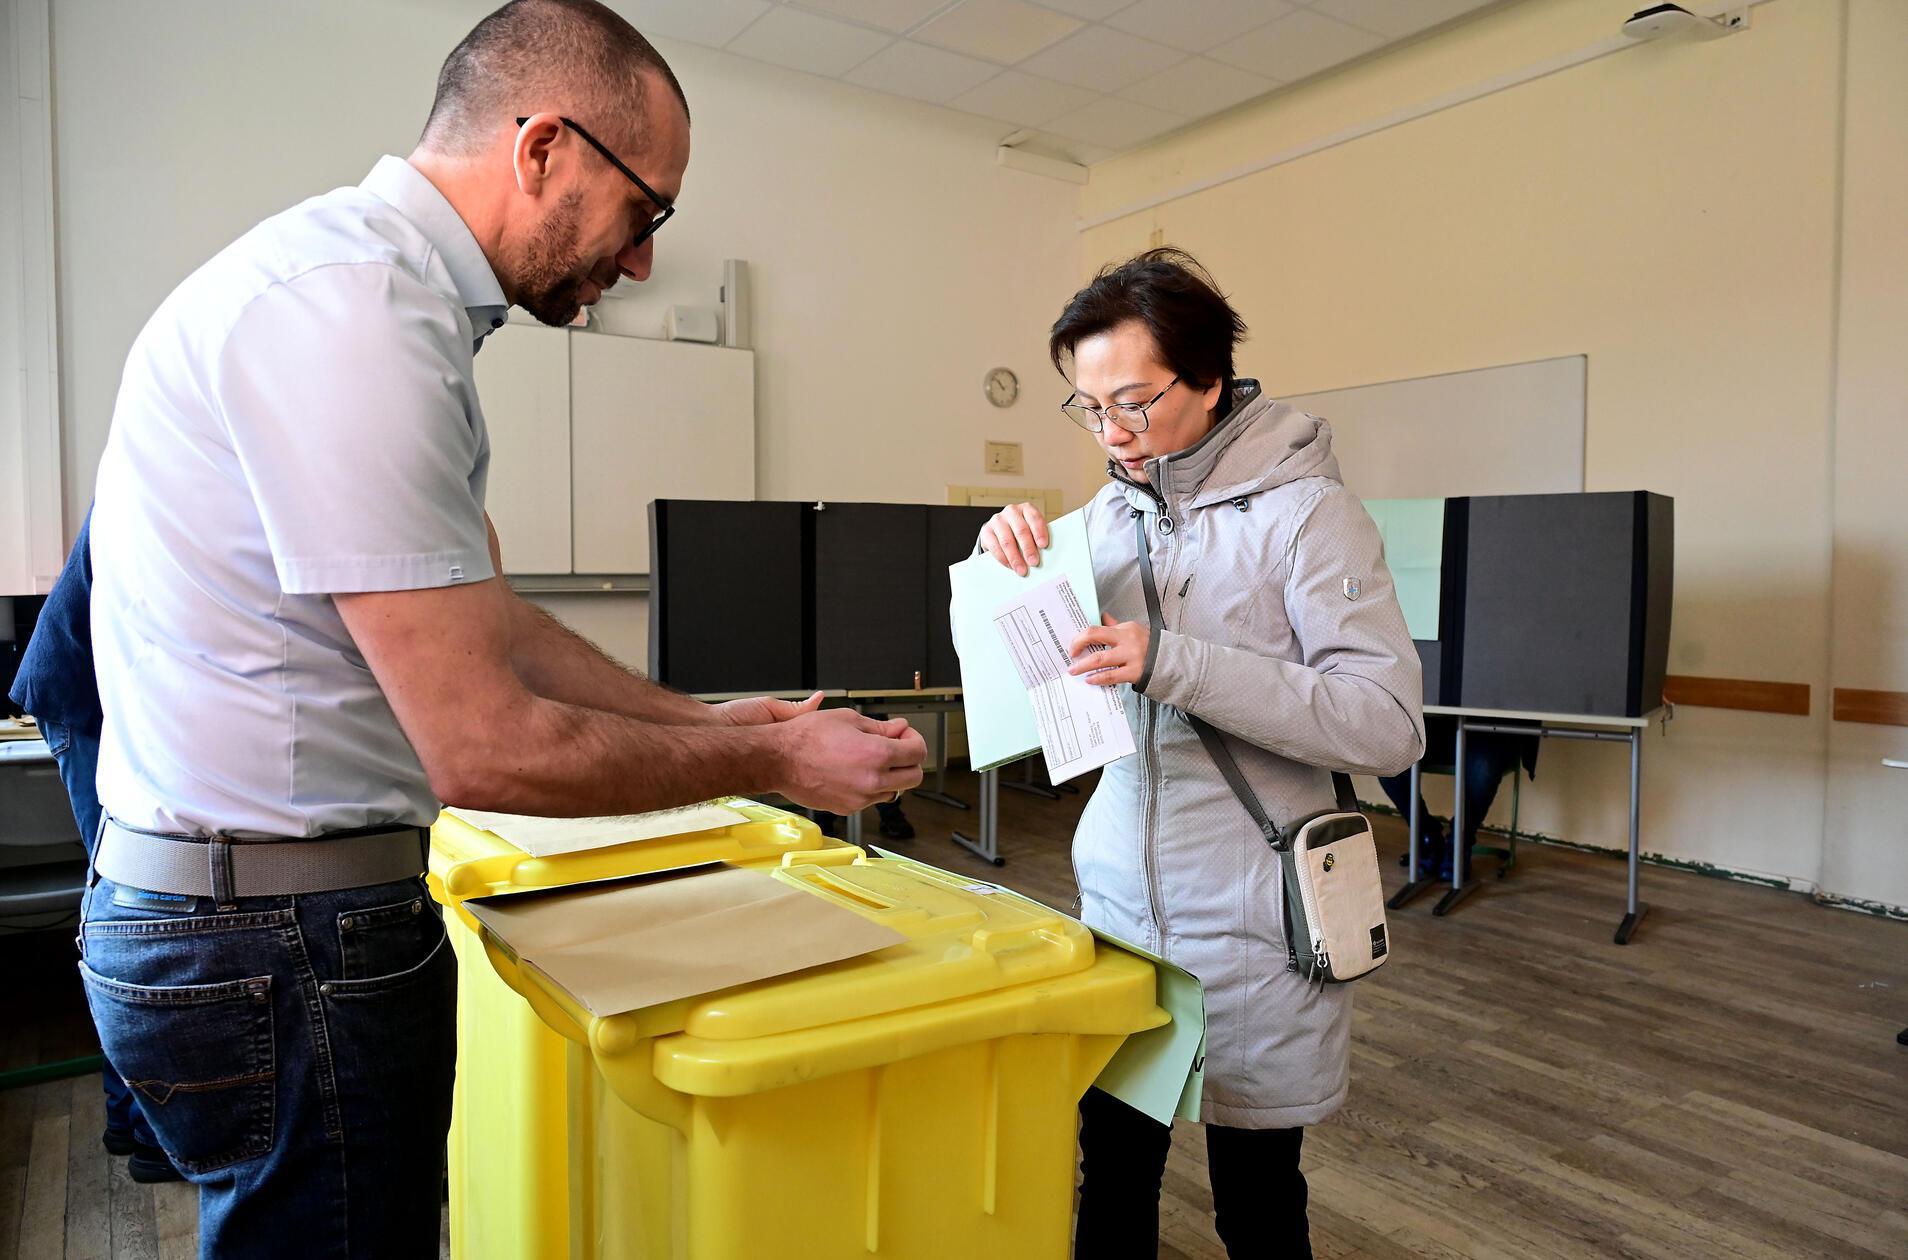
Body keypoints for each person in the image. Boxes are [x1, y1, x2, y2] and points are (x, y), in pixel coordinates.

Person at [78, 2, 924, 1253]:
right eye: (648, 210)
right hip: (280, 938)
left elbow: (504, 633)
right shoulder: (359, 314)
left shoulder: (358, 290)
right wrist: (773, 762)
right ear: (543, 149)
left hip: (245, 921)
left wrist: (702, 719)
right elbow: (484, 747)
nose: (641, 261)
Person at [979, 249, 1424, 1259]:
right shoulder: (1097, 520)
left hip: (1253, 920)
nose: (1112, 434)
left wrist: (1175, 664)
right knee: (1113, 1178)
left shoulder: (1309, 518)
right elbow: (1028, 677)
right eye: (1087, 409)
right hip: (1120, 911)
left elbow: (1387, 722)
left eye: (1134, 402)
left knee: (1258, 1203)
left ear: (1212, 379)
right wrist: (1004, 558)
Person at [7, 511, 180, 1184]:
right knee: (131, 899)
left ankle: (128, 1122)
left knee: (132, 901)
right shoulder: (172, 464)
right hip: (82, 700)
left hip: (93, 694)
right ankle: (142, 1132)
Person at [1378, 715, 1538, 880]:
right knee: (1387, 759)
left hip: (1491, 730)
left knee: (1482, 767)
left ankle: (1459, 843)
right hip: (1438, 726)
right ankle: (1427, 836)